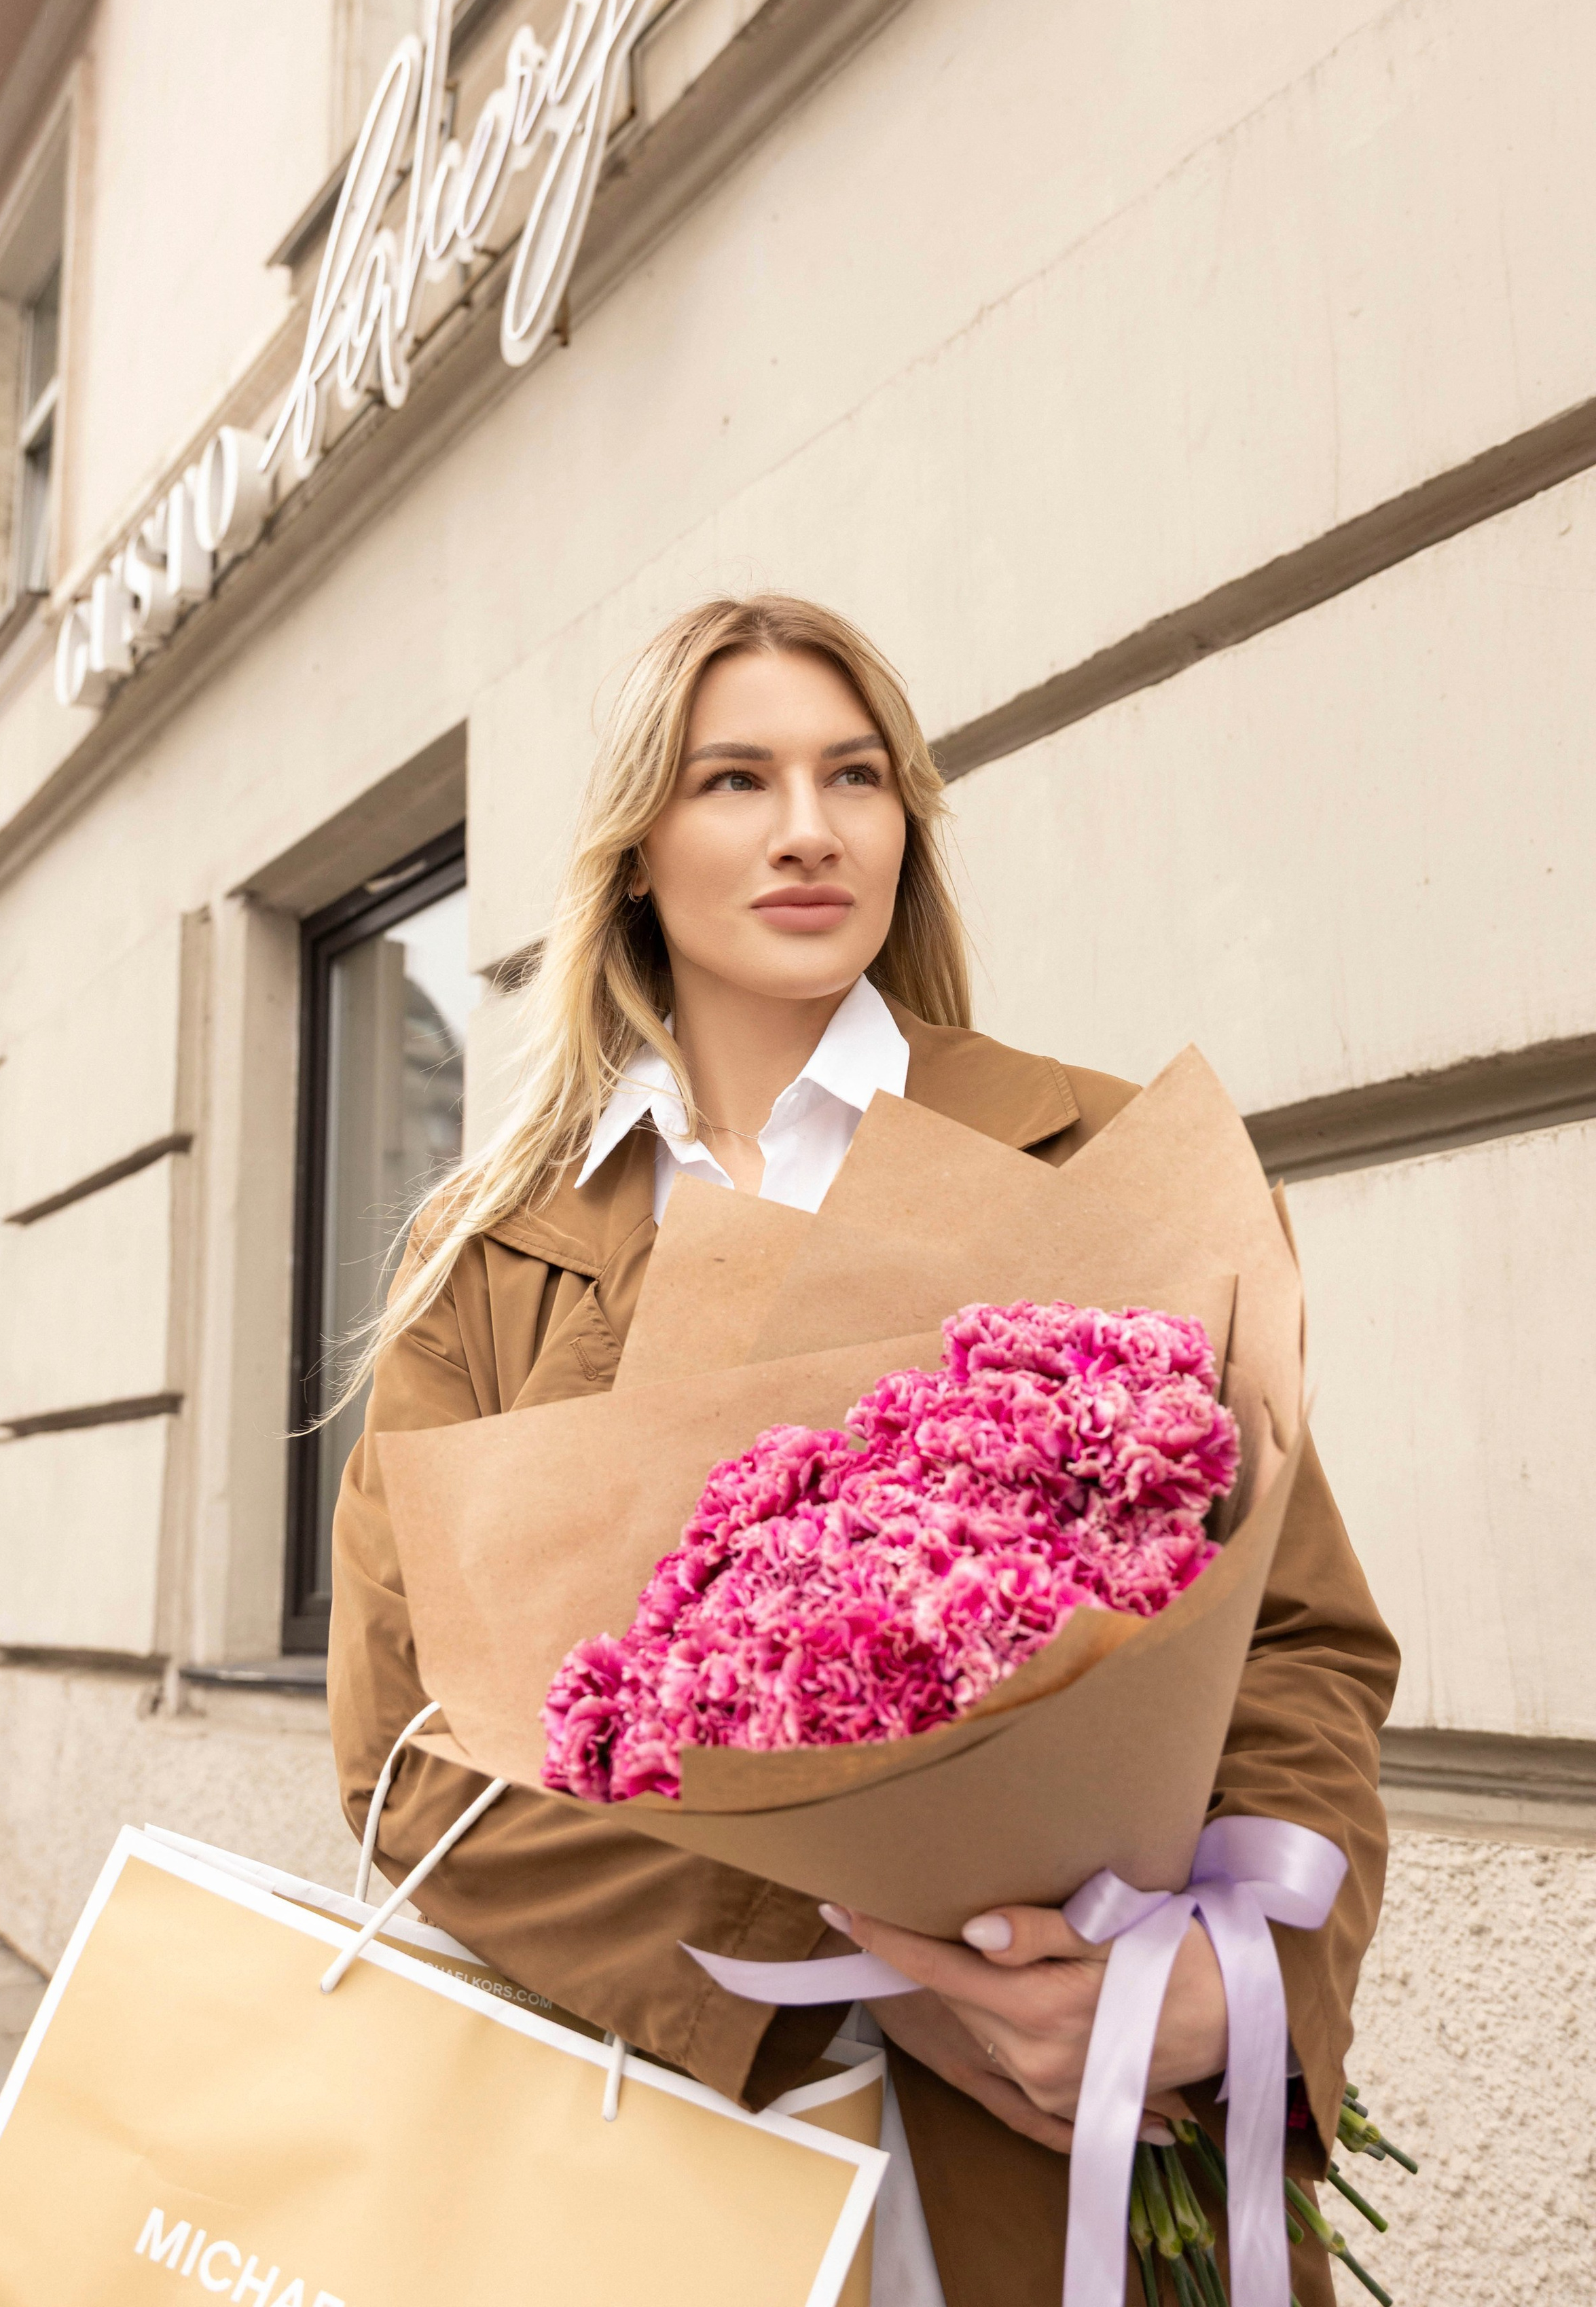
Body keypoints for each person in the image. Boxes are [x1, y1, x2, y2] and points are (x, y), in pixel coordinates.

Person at [328, 594, 1397, 2307]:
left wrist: (1234, 1975)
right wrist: (850, 1966)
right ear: (635, 848)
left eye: (857, 777)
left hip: (1089, 2104)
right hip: (676, 2123)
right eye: (734, 780)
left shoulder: (1101, 1158)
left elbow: (1294, 1649)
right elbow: (414, 1758)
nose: (809, 831)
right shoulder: (488, 1256)